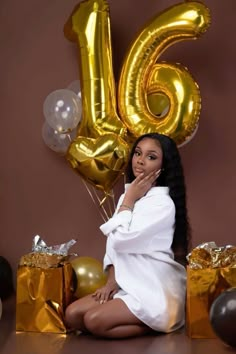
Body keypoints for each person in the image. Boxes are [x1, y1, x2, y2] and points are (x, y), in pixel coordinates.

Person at [65, 132, 190, 339]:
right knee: (72, 316)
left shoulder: (162, 204)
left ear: (164, 165)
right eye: (138, 153)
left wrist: (129, 200)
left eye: (151, 157)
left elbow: (122, 240)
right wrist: (111, 282)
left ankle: (157, 324)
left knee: (93, 322)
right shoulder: (129, 195)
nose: (140, 161)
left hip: (152, 288)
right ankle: (128, 313)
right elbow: (112, 245)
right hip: (127, 283)